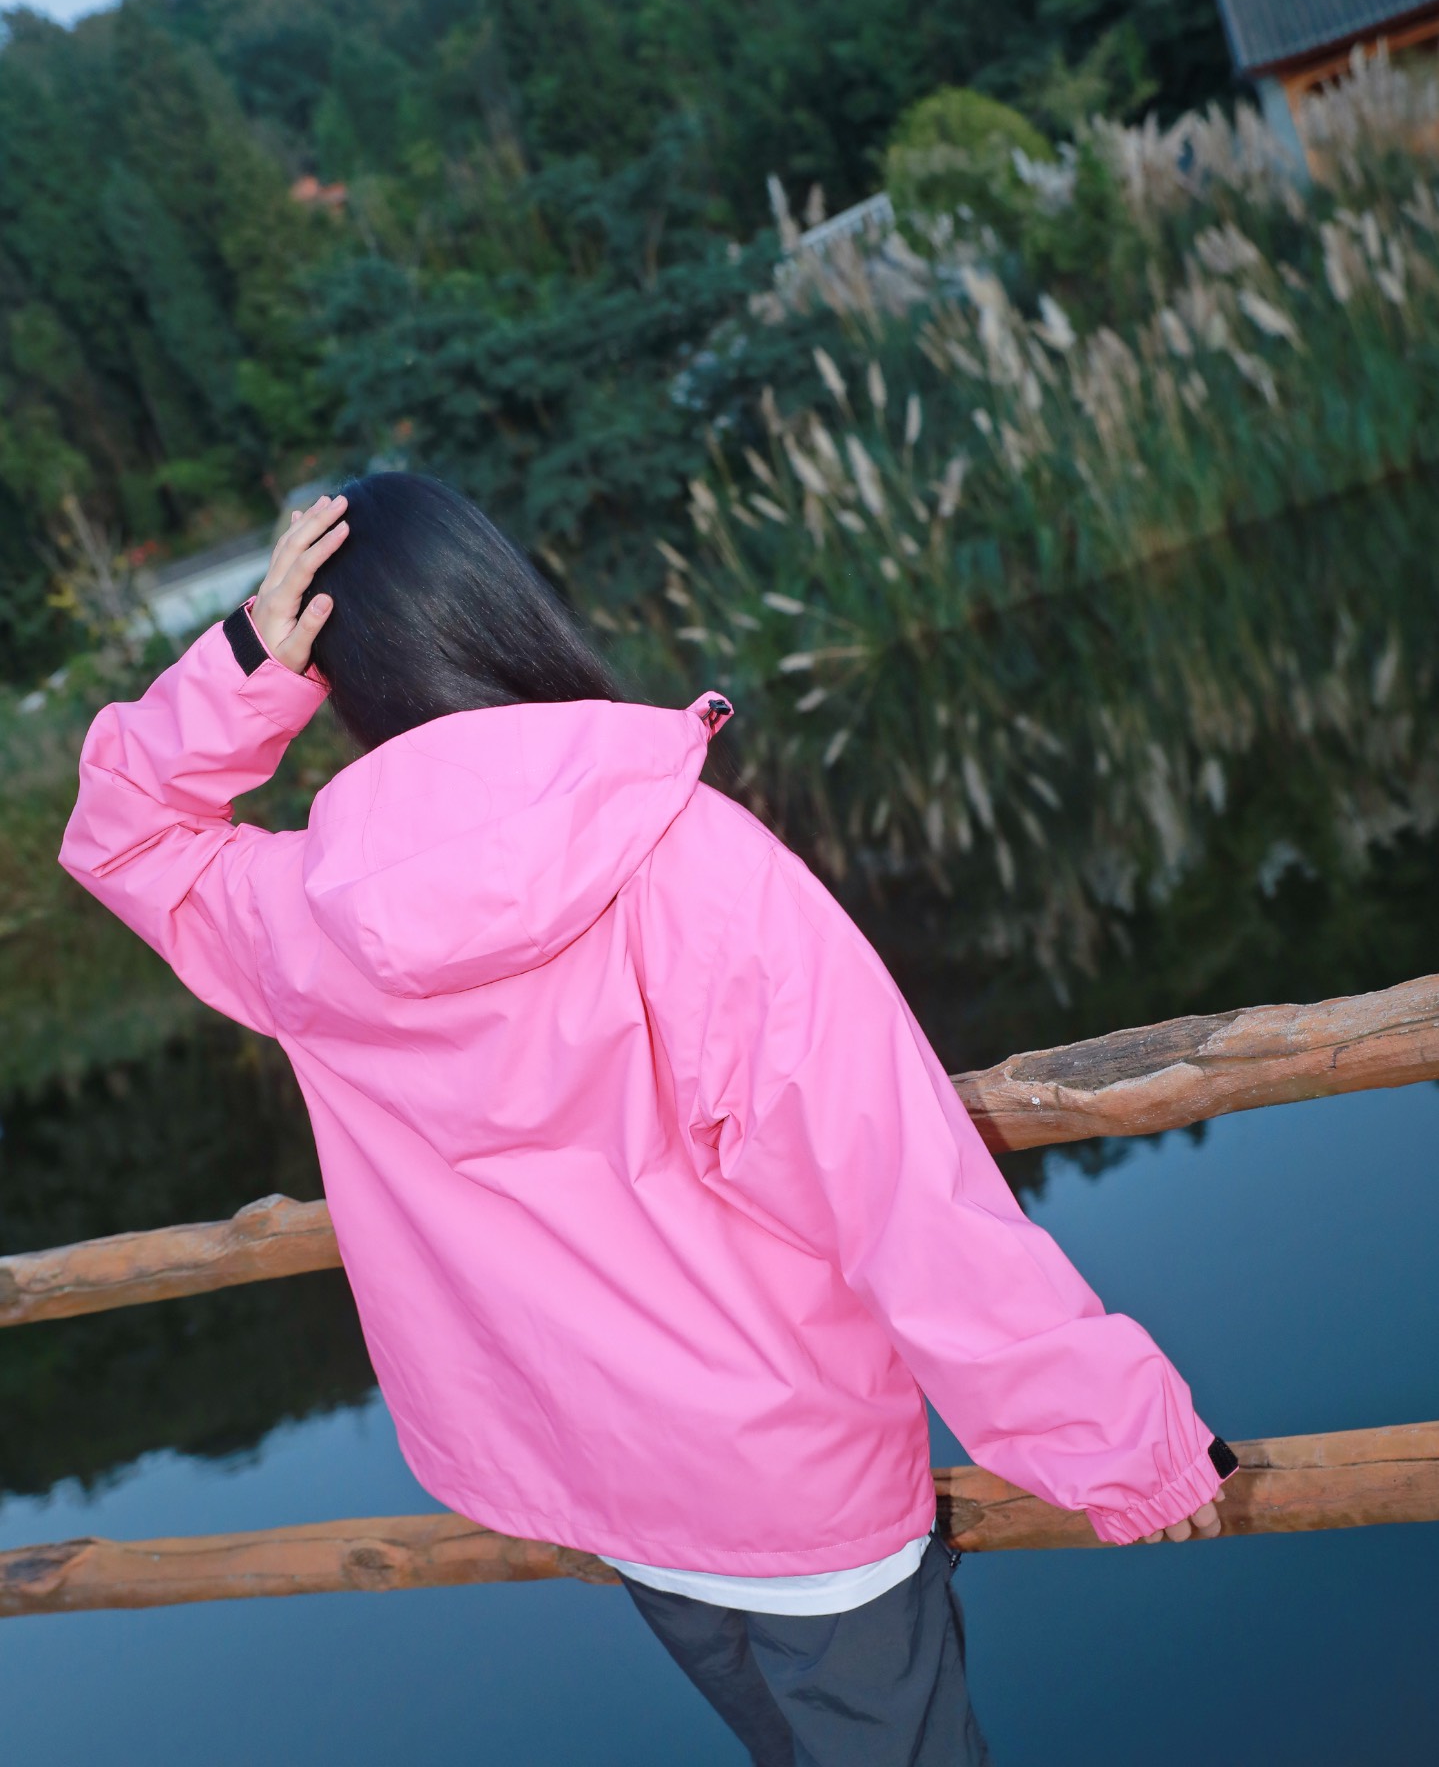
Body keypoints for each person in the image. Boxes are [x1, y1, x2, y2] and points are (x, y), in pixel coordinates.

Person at [60, 474, 1233, 1766]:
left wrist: (243, 666)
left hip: (618, 1494)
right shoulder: (682, 855)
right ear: (505, 604)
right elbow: (892, 1178)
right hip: (795, 1489)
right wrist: (1120, 1441)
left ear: (337, 673)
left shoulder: (302, 918)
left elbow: (124, 837)